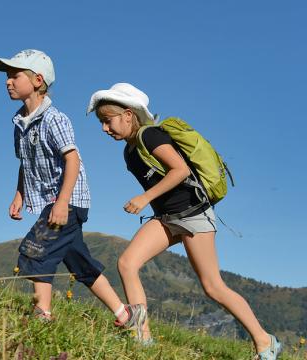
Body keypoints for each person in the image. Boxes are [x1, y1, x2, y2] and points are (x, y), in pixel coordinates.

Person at [87, 82, 282, 358]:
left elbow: (180, 170)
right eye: (102, 123)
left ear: (128, 114)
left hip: (193, 215)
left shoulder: (151, 135)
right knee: (127, 263)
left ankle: (265, 341)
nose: (104, 129)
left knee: (213, 286)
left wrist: (144, 199)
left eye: (108, 121)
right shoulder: (129, 152)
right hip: (166, 218)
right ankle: (142, 339)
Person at [0, 50, 142, 327]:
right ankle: (126, 315)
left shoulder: (54, 119)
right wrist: (19, 194)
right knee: (79, 263)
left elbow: (72, 160)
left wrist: (62, 202)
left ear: (37, 80)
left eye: (15, 76)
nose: (8, 81)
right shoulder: (19, 123)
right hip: (52, 199)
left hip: (67, 199)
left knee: (36, 250)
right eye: (6, 77)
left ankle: (42, 316)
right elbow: (25, 163)